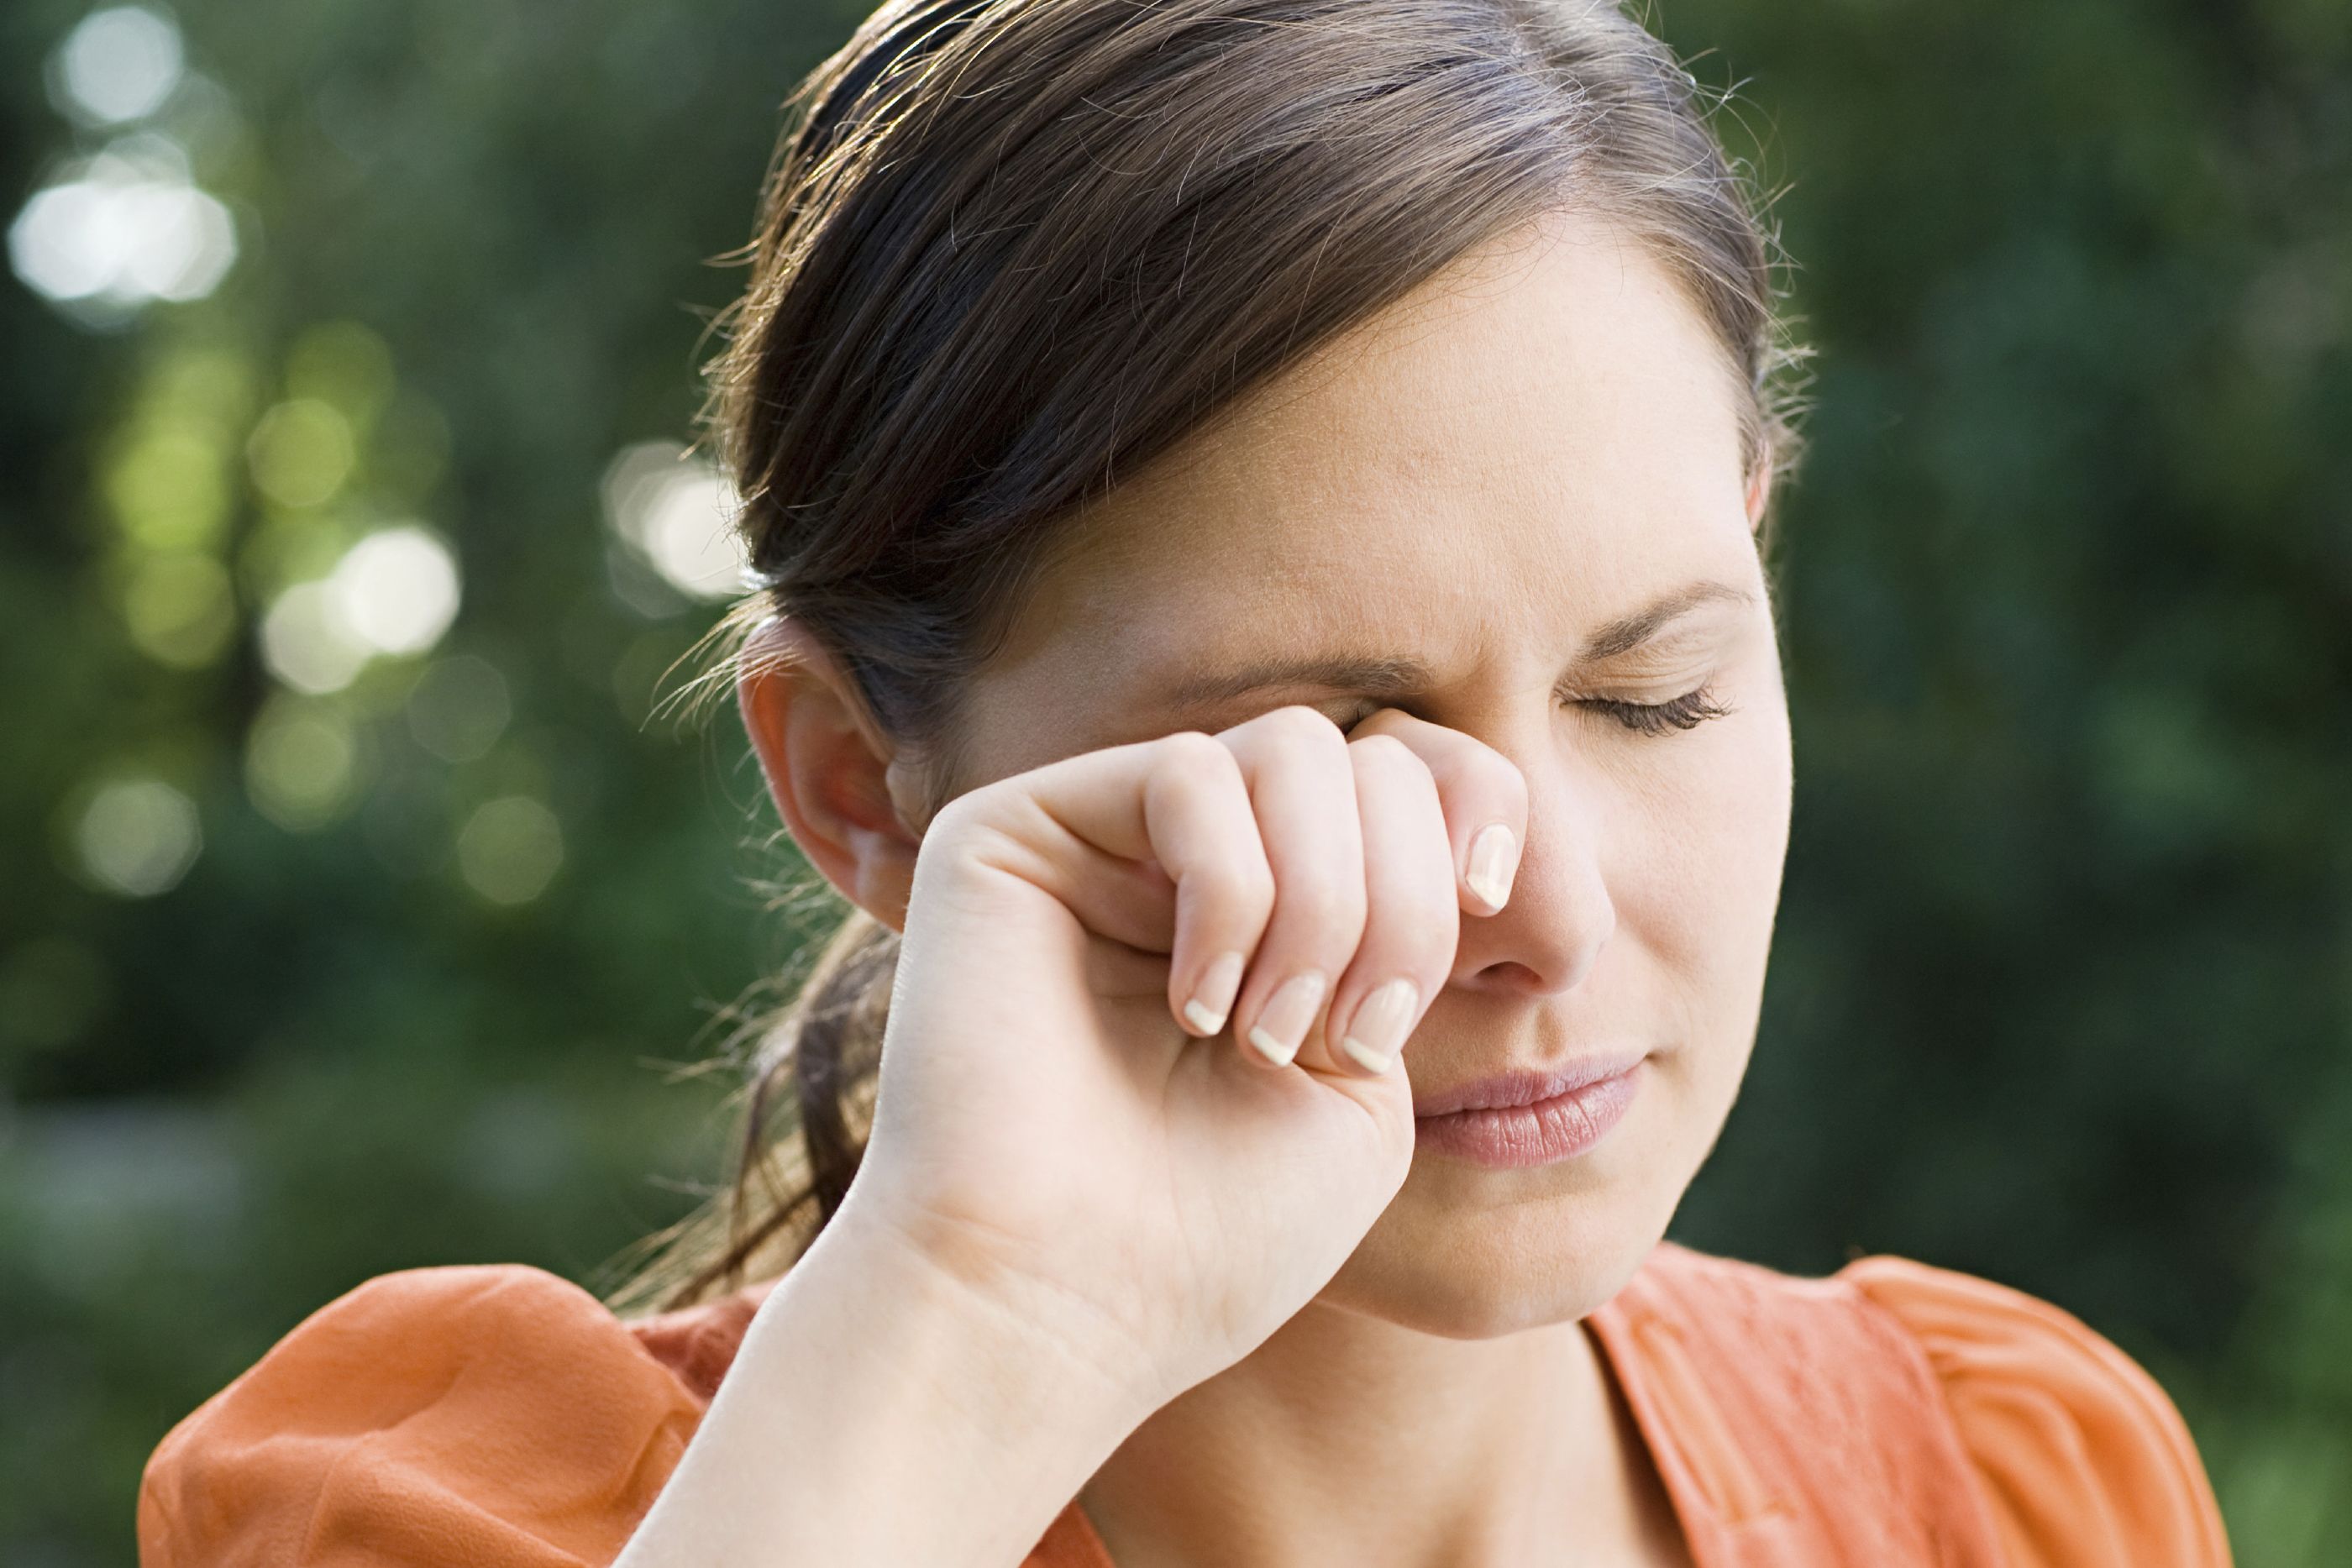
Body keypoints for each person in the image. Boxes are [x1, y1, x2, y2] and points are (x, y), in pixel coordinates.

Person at [136, 1, 2237, 1564]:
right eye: (1332, 754)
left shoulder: (2004, 1493)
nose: (1551, 914)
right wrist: (980, 1318)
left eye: (1652, 695)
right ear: (861, 784)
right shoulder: (453, 1523)